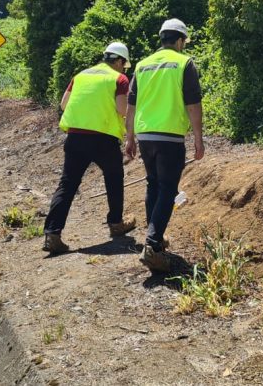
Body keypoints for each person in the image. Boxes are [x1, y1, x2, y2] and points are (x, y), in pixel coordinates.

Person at [124, 19, 204, 272]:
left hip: (145, 134)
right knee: (168, 188)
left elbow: (131, 105)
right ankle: (153, 244)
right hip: (169, 135)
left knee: (153, 184)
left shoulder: (142, 65)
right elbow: (192, 104)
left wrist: (129, 137)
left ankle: (153, 236)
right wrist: (198, 137)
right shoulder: (183, 63)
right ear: (180, 40)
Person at [42, 42, 138, 254]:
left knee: (67, 184)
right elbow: (123, 109)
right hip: (104, 139)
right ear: (120, 61)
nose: (124, 69)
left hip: (75, 138)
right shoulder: (119, 79)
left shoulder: (81, 75)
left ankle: (52, 233)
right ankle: (115, 223)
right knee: (114, 178)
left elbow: (64, 104)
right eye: (124, 65)